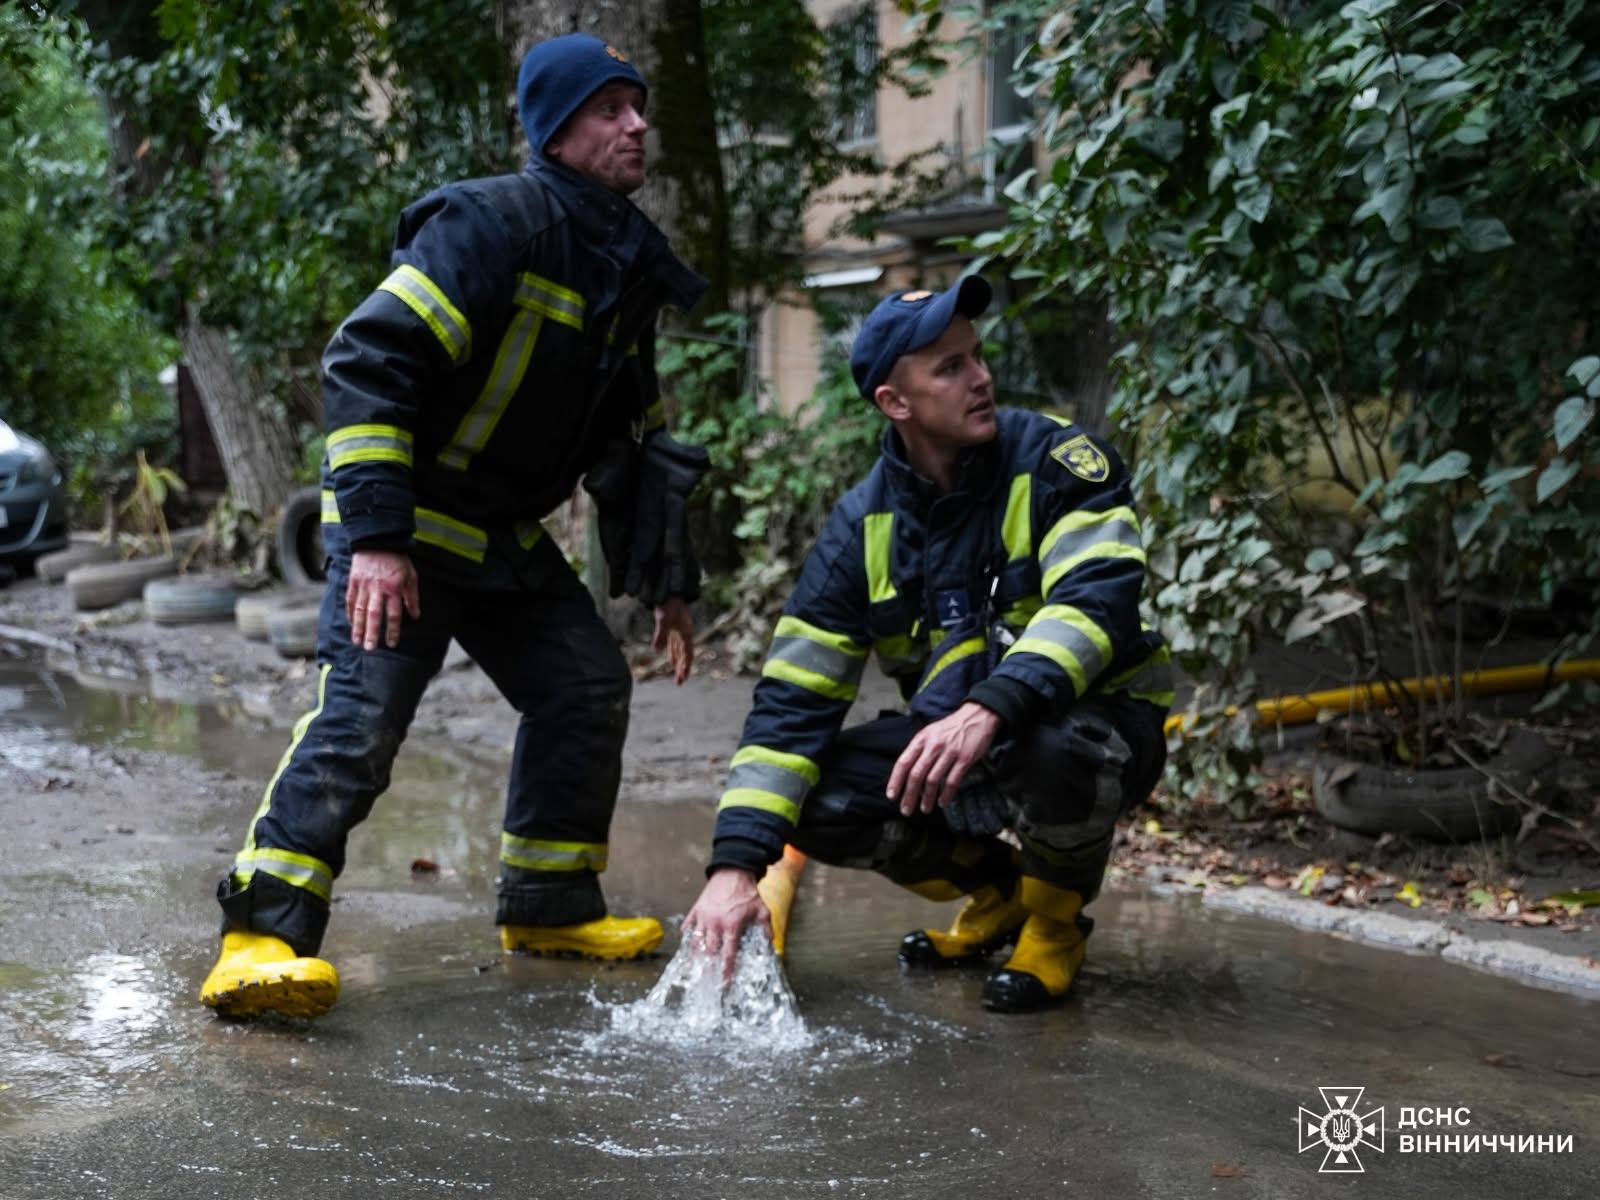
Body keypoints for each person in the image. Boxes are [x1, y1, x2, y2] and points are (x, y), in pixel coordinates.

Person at [200, 33, 709, 1020]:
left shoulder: (626, 264)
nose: (637, 123)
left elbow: (636, 444)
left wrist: (667, 583)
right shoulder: (488, 224)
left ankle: (550, 903)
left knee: (584, 684)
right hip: (400, 524)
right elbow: (368, 361)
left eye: (638, 105)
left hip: (497, 533)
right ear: (555, 130)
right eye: (610, 108)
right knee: (360, 723)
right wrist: (380, 539)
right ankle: (259, 936)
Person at [682, 278, 1172, 1012]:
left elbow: (1095, 604)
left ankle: (1053, 922)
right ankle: (1000, 890)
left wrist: (991, 708)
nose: (980, 378)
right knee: (813, 799)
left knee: (1058, 747)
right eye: (949, 367)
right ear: (894, 403)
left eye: (976, 357)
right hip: (962, 735)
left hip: (1095, 724)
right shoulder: (859, 530)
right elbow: (790, 703)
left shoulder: (1057, 462)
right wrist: (734, 866)